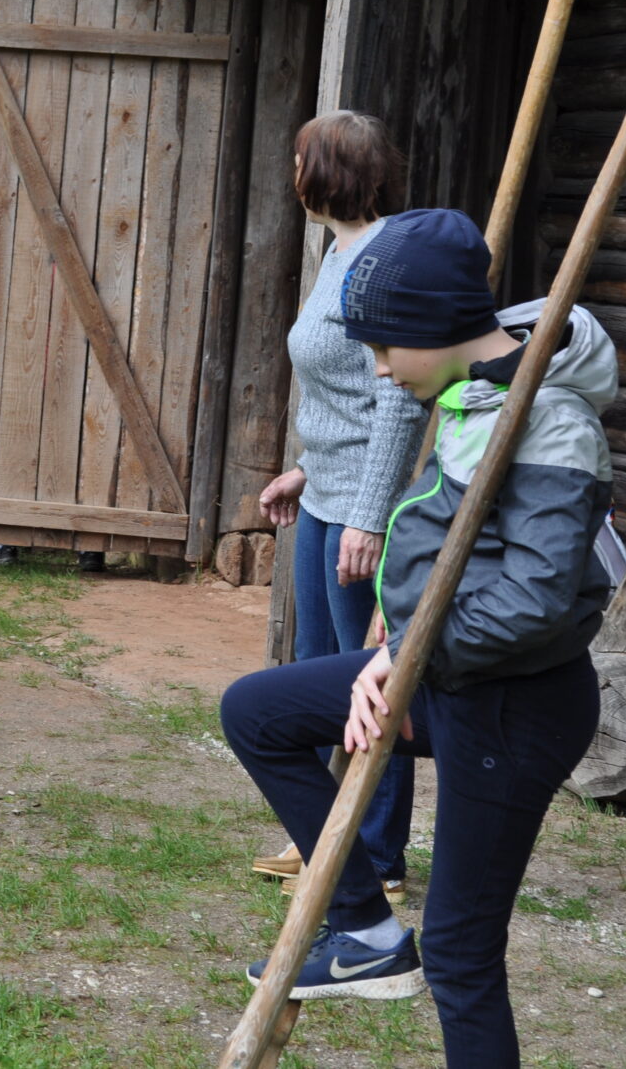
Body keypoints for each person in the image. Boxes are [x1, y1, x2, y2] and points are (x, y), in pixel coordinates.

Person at [220, 209, 615, 1069]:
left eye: (384, 347)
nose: (378, 369)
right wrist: (396, 644)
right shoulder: (470, 391)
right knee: (257, 711)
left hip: (517, 704)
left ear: (434, 328)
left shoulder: (550, 421)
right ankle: (364, 928)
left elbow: (536, 600)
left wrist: (407, 658)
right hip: (445, 670)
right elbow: (450, 545)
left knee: (465, 954)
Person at [249, 111, 427, 905]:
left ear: (323, 174)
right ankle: (327, 837)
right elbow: (342, 391)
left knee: (365, 683)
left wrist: (368, 514)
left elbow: (396, 407)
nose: (292, 173)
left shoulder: (384, 264)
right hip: (324, 491)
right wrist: (301, 470)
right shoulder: (336, 252)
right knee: (321, 679)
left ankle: (378, 853)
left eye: (297, 160)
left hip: (361, 505)